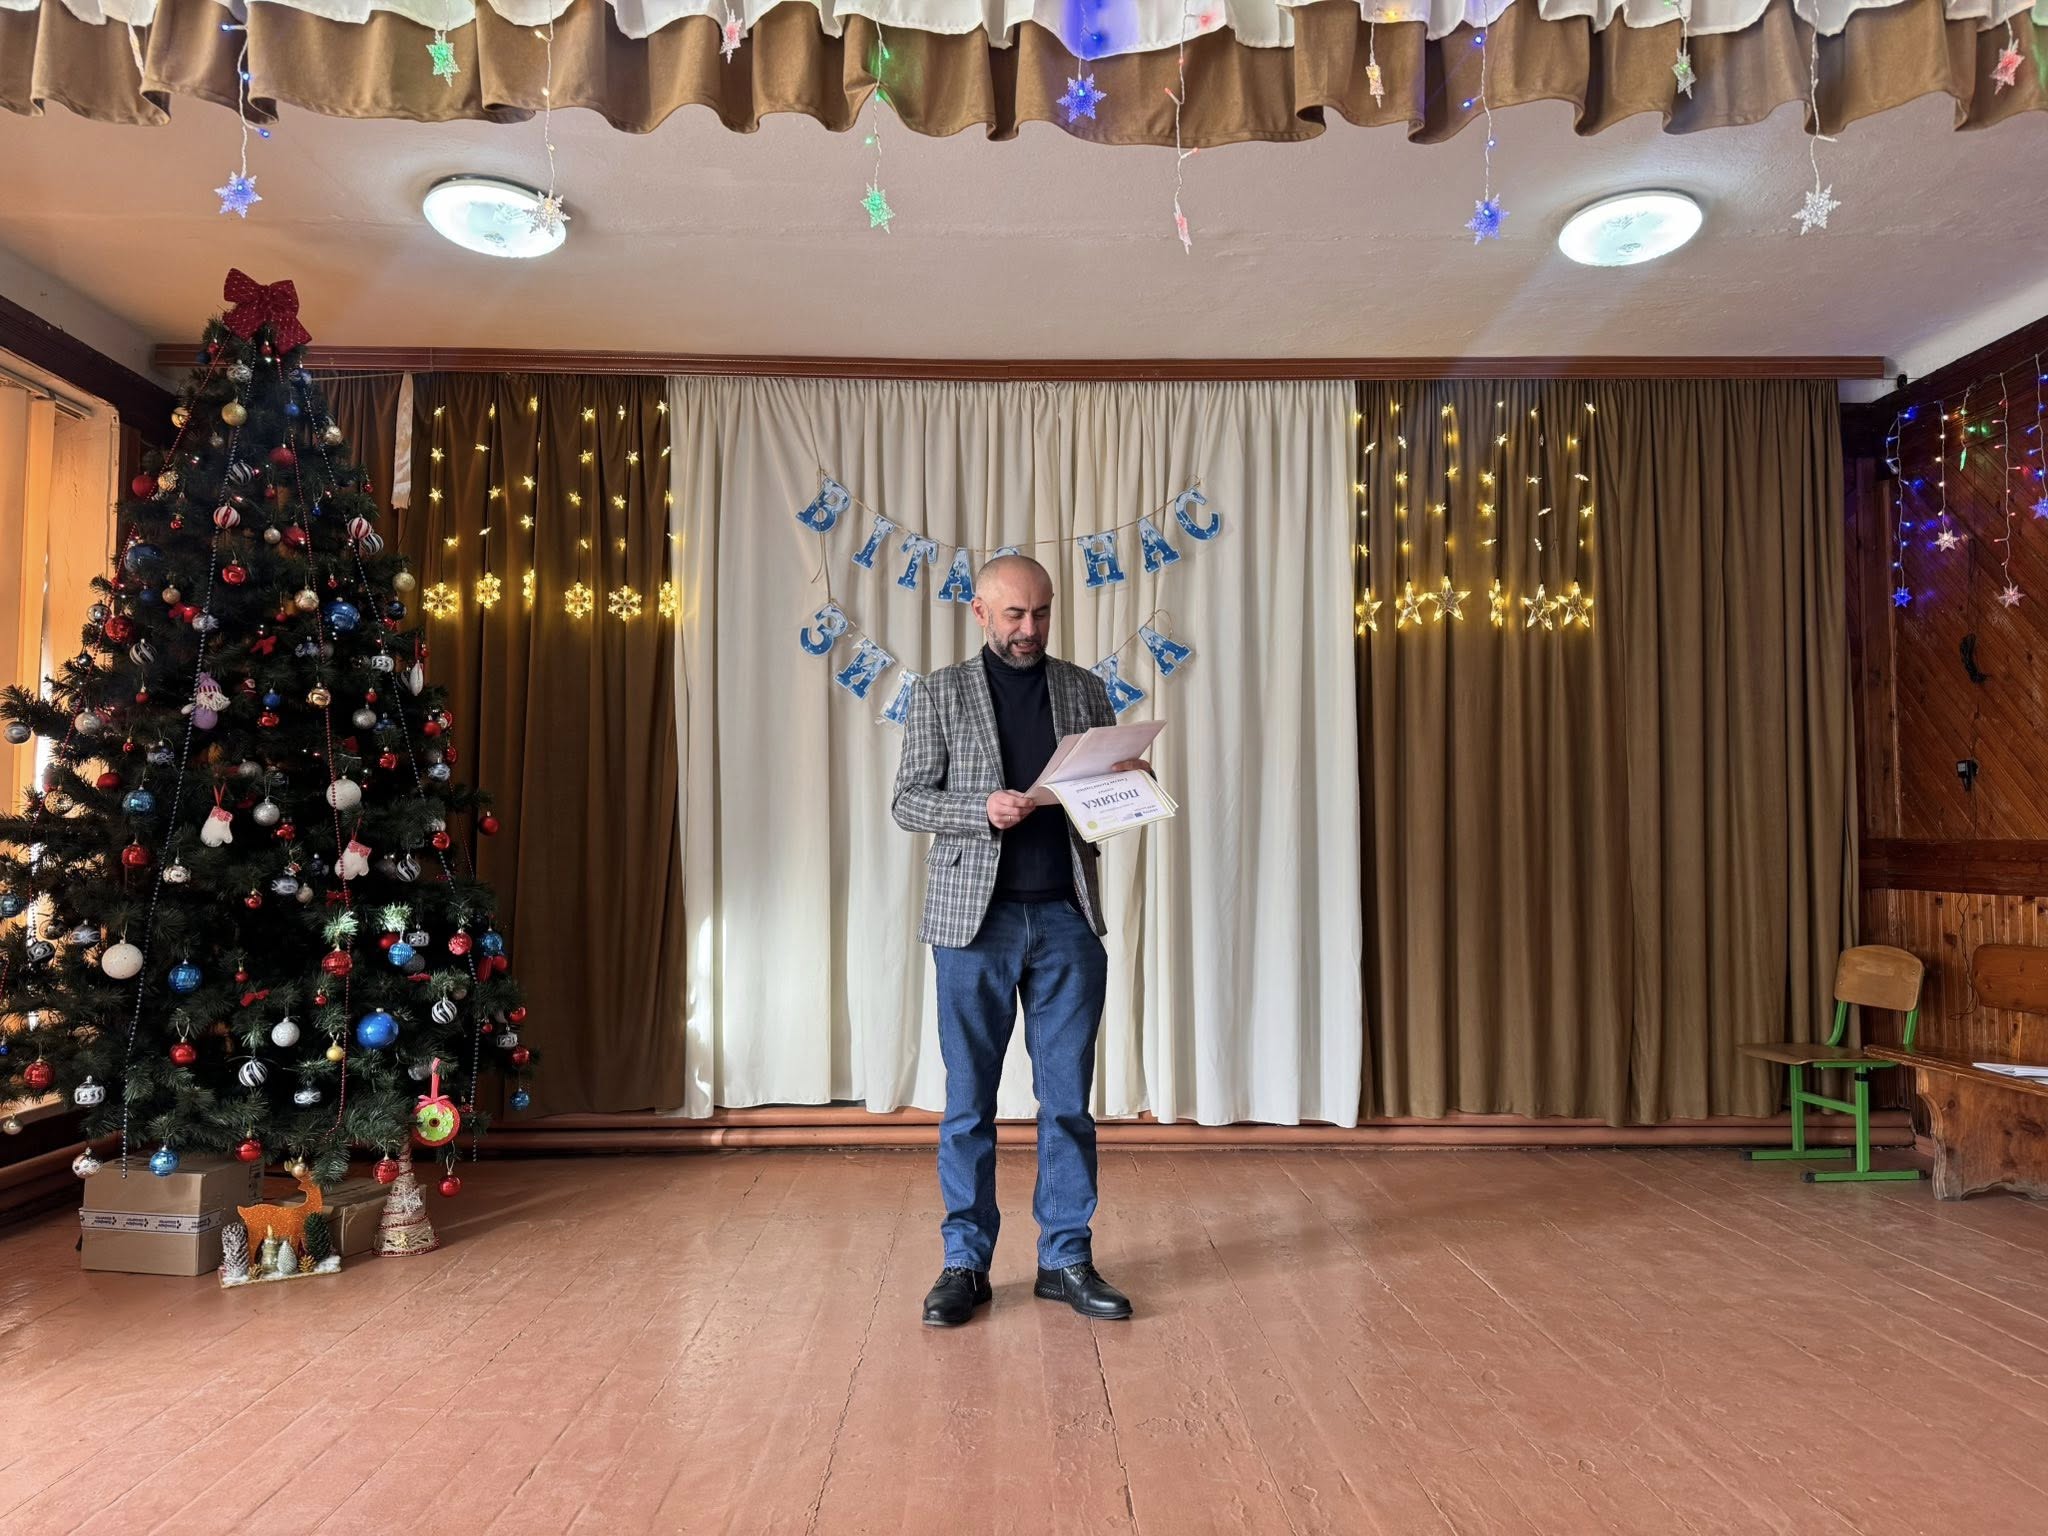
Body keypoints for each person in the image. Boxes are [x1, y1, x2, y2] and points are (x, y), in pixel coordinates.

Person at [892, 554, 1147, 1327]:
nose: (1030, 629)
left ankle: (1064, 1259)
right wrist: (982, 808)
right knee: (968, 1102)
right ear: (980, 613)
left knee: (1067, 1102)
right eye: (1014, 615)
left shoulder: (1085, 689)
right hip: (974, 925)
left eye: (1041, 613)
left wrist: (1127, 783)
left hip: (1066, 916)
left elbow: (1100, 804)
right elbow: (908, 802)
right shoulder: (939, 692)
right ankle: (964, 1265)